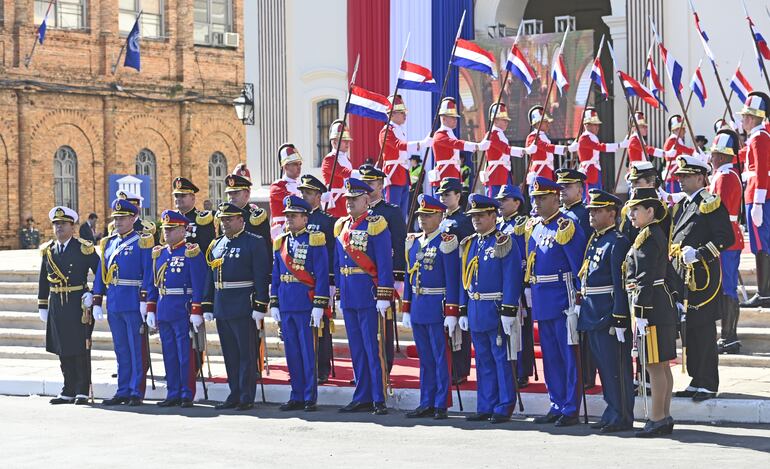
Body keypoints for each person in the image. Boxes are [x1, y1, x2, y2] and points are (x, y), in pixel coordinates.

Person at [670, 156, 734, 402]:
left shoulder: (710, 203)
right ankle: (696, 379)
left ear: (700, 177)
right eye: (680, 176)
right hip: (684, 278)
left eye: (686, 176)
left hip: (703, 278)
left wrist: (700, 253)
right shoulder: (682, 206)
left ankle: (708, 381)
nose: (681, 180)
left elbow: (725, 237)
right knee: (691, 330)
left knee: (704, 330)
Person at [527, 177, 587, 427]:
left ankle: (571, 407)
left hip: (563, 297)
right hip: (542, 295)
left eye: (542, 198)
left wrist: (579, 298)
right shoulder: (536, 227)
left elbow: (578, 266)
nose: (538, 203)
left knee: (568, 354)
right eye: (535, 199)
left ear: (555, 198)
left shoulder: (567, 225)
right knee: (550, 356)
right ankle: (556, 402)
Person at [459, 194, 522, 423]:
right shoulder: (471, 243)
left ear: (493, 216)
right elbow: (464, 279)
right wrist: (463, 309)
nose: (475, 220)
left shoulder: (503, 241)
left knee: (500, 359)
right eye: (473, 216)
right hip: (476, 306)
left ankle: (504, 405)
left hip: (495, 307)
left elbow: (511, 277)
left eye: (480, 215)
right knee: (483, 360)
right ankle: (485, 404)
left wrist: (508, 309)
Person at [334, 178, 394, 415]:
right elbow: (339, 263)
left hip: (368, 294)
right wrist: (338, 292)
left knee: (372, 347)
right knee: (356, 348)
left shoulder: (376, 224)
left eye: (354, 199)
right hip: (349, 293)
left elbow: (384, 262)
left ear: (366, 200)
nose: (349, 203)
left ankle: (378, 397)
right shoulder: (342, 226)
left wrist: (384, 294)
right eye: (347, 199)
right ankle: (362, 395)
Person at [203, 202, 270, 410]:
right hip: (223, 305)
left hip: (243, 305)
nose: (225, 223)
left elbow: (260, 275)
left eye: (229, 219)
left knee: (246, 353)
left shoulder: (254, 242)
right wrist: (208, 303)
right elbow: (210, 276)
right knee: (230, 354)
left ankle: (246, 395)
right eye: (222, 219)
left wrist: (260, 303)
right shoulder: (217, 244)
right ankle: (234, 393)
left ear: (241, 220)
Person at [578, 190, 634, 432]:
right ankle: (611, 410)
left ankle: (621, 415)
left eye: (598, 210)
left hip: (608, 314)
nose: (592, 214)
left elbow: (620, 283)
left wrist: (620, 317)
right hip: (592, 312)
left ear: (612, 214)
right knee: (604, 367)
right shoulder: (597, 239)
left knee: (616, 369)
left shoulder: (617, 241)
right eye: (591, 210)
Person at [624, 188, 677, 437]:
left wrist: (641, 312)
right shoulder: (650, 233)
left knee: (654, 365)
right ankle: (663, 415)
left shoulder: (648, 236)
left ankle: (656, 417)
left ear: (650, 211)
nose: (631, 214)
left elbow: (644, 278)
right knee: (661, 365)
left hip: (652, 304)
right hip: (658, 302)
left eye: (636, 209)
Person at [401, 194, 460, 420]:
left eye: (427, 215)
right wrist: (406, 306)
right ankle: (426, 400)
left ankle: (440, 402)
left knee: (439, 357)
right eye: (420, 216)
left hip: (437, 305)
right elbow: (409, 275)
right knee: (424, 358)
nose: (422, 220)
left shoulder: (446, 242)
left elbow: (452, 278)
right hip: (419, 304)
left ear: (439, 216)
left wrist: (452, 311)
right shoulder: (414, 241)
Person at [92, 199, 154, 406]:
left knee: (136, 348)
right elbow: (102, 272)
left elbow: (148, 272)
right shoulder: (109, 243)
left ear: (133, 218)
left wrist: (145, 300)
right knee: (121, 348)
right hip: (115, 301)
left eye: (122, 218)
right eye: (116, 218)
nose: (118, 221)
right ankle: (123, 389)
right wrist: (97, 299)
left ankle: (136, 391)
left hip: (133, 299)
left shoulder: (142, 241)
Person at [270, 196, 329, 412]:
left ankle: (308, 396)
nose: (289, 220)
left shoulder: (314, 240)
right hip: (286, 302)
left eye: (293, 216)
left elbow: (322, 274)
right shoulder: (281, 241)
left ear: (305, 218)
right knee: (292, 352)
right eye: (287, 216)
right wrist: (274, 302)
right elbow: (276, 275)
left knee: (307, 351)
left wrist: (319, 303)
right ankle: (296, 394)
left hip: (305, 302)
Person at [145, 210, 208, 408]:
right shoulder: (160, 253)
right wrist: (151, 308)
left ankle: (186, 393)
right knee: (169, 353)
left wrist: (197, 309)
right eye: (165, 229)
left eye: (171, 229)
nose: (166, 233)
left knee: (184, 354)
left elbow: (199, 283)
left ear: (183, 230)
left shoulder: (191, 252)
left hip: (183, 307)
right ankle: (172, 392)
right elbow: (153, 284)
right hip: (165, 308)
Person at [38, 206, 99, 404]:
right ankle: (68, 388)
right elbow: (43, 280)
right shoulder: (48, 250)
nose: (59, 228)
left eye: (63, 224)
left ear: (72, 227)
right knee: (62, 347)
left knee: (80, 347)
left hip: (77, 303)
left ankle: (82, 389)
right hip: (57, 303)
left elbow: (101, 273)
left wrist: (93, 295)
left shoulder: (83, 247)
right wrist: (42, 305)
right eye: (56, 224)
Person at [360, 164, 406, 373]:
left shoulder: (391, 212)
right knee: (363, 327)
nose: (367, 188)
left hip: (382, 277)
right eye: (364, 184)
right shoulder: (357, 212)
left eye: (371, 183)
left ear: (381, 185)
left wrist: (397, 277)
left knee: (382, 326)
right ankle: (365, 369)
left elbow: (399, 244)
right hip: (360, 279)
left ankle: (383, 368)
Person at [708, 130, 745, 354]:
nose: (710, 158)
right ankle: (728, 335)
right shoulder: (726, 175)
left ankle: (729, 336)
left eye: (713, 155)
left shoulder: (724, 177)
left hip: (726, 239)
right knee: (726, 287)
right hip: (729, 237)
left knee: (728, 288)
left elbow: (716, 208)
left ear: (721, 156)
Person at [495, 185, 535, 388]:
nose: (500, 203)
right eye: (499, 200)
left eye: (505, 199)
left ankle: (521, 370)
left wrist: (527, 282)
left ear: (517, 202)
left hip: (519, 281)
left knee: (521, 328)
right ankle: (506, 367)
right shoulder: (497, 224)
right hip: (499, 282)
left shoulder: (523, 223)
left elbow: (529, 253)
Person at [299, 174, 337, 383]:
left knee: (321, 326)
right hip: (300, 282)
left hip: (320, 282)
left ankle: (322, 367)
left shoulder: (327, 222)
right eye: (303, 192)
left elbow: (331, 254)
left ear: (319, 196)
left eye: (309, 193)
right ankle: (305, 366)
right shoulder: (296, 219)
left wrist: (331, 283)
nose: (305, 196)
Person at [436, 177, 472, 384]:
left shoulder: (464, 221)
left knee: (459, 324)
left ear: (458, 196)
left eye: (447, 194)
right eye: (441, 194)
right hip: (442, 276)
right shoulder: (439, 218)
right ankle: (449, 367)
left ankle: (460, 369)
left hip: (458, 274)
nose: (443, 198)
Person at [379, 94, 432, 219]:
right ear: (392, 114)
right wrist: (420, 144)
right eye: (401, 112)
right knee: (392, 212)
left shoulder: (398, 130)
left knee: (402, 214)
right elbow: (399, 145)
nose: (405, 115)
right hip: (393, 174)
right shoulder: (386, 131)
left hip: (402, 174)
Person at [740, 92, 770, 308]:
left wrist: (758, 202)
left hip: (759, 197)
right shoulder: (756, 138)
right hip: (754, 195)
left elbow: (762, 171)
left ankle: (764, 293)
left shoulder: (760, 138)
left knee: (761, 246)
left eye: (744, 117)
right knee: (760, 245)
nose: (742, 121)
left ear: (752, 118)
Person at [429, 97, 490, 191]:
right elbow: (457, 144)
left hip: (453, 176)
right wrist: (478, 146)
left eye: (455, 117)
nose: (455, 120)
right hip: (444, 177)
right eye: (452, 117)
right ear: (443, 118)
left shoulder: (449, 134)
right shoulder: (439, 135)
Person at [569, 107, 628, 192]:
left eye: (597, 124)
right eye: (594, 124)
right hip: (588, 171)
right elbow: (600, 147)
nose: (597, 127)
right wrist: (620, 145)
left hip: (595, 170)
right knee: (589, 196)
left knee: (597, 193)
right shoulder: (584, 138)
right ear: (586, 125)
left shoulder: (591, 137)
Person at [481, 103, 526, 197]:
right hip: (495, 175)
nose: (506, 122)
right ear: (495, 121)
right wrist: (523, 151)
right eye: (503, 120)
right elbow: (504, 149)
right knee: (493, 201)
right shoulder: (491, 134)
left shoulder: (500, 134)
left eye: (506, 120)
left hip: (504, 174)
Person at [224, 173, 271, 255]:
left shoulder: (256, 218)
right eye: (229, 193)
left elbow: (265, 250)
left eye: (236, 193)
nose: (232, 197)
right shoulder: (224, 217)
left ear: (247, 194)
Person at [524, 106, 567, 185]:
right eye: (545, 121)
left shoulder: (543, 136)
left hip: (547, 170)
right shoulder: (532, 136)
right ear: (537, 123)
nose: (548, 123)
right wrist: (564, 149)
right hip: (540, 170)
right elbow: (545, 147)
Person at [172, 177, 216, 254]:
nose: (178, 199)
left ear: (193, 197)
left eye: (183, 196)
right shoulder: (171, 219)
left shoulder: (203, 219)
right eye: (176, 196)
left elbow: (207, 248)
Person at [322, 120, 356, 218]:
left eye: (347, 140)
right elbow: (343, 172)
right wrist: (363, 174)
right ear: (335, 142)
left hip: (346, 200)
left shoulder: (346, 159)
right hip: (335, 203)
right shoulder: (329, 159)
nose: (347, 143)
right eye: (344, 140)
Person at [269, 143, 303, 238]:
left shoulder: (301, 185)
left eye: (300, 164)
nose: (299, 167)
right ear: (286, 167)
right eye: (295, 164)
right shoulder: (277, 186)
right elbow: (293, 200)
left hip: (298, 227)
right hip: (282, 229)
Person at [662, 115, 695, 194]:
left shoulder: (676, 139)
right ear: (677, 129)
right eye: (683, 129)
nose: (685, 132)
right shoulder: (673, 140)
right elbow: (685, 150)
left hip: (676, 174)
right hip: (673, 174)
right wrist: (696, 152)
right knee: (673, 202)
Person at [556, 168, 592, 237]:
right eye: (560, 186)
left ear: (580, 191)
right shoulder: (556, 212)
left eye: (567, 186)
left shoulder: (586, 213)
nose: (562, 190)